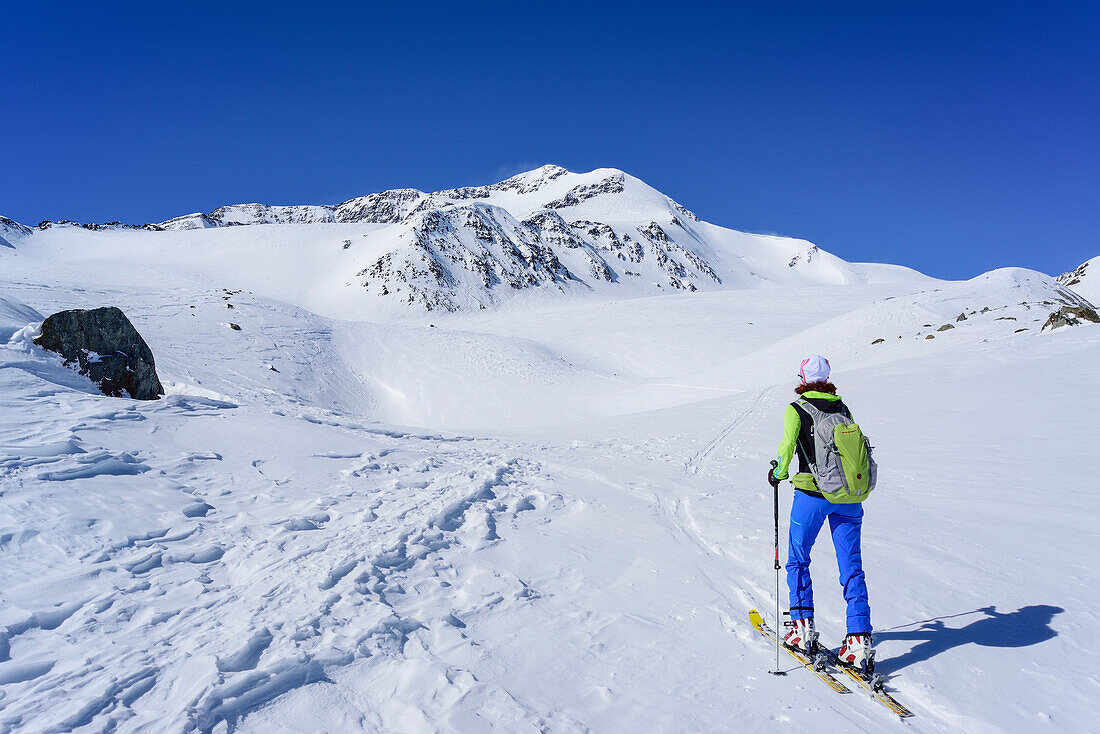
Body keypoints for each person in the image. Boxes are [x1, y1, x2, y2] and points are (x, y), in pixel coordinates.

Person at [768, 354, 873, 670]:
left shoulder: (796, 409)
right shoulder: (842, 409)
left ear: (802, 379)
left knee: (798, 558)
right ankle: (859, 639)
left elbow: (787, 449)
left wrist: (779, 473)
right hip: (849, 497)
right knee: (851, 565)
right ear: (827, 378)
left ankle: (802, 629)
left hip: (812, 495)